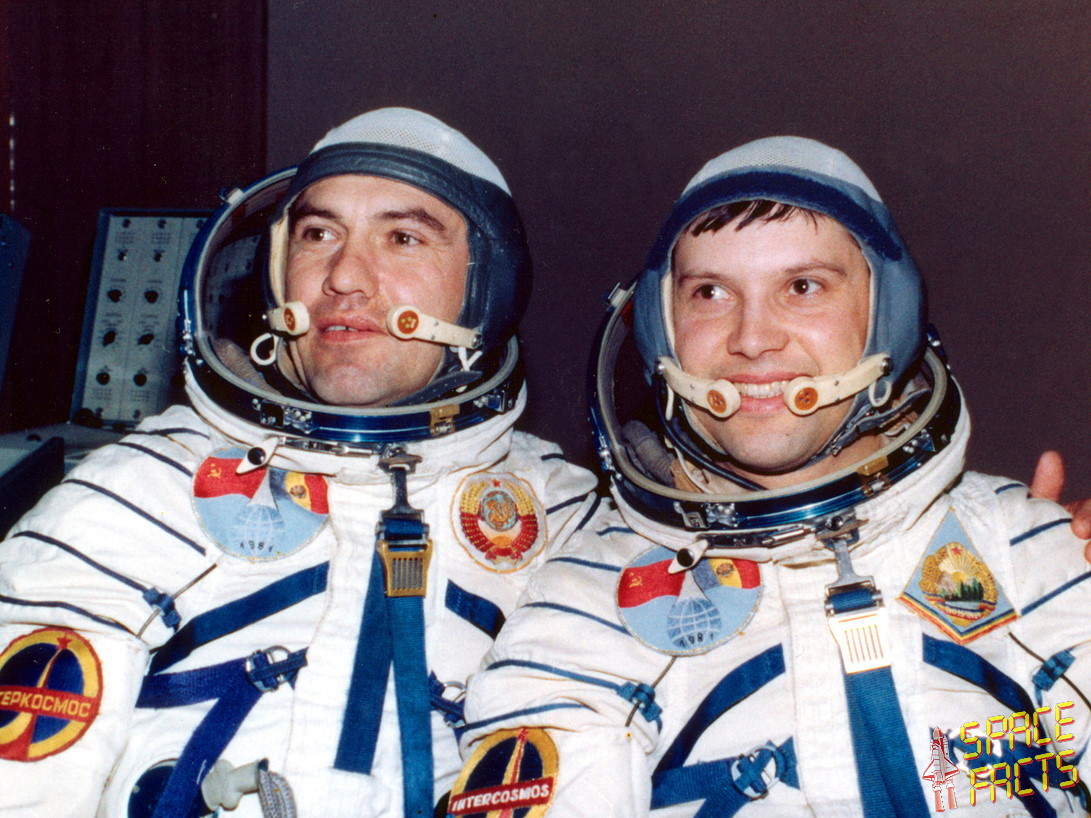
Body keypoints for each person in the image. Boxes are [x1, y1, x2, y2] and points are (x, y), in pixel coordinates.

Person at [453, 137, 1091, 816]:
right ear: (662, 335)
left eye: (803, 287)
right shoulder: (588, 604)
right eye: (710, 293)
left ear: (888, 315)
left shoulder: (1021, 550)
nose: (752, 339)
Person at [0, 108, 602, 817]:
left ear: (486, 287)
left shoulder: (563, 524)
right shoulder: (141, 492)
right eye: (318, 234)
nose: (344, 277)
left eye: (403, 238)